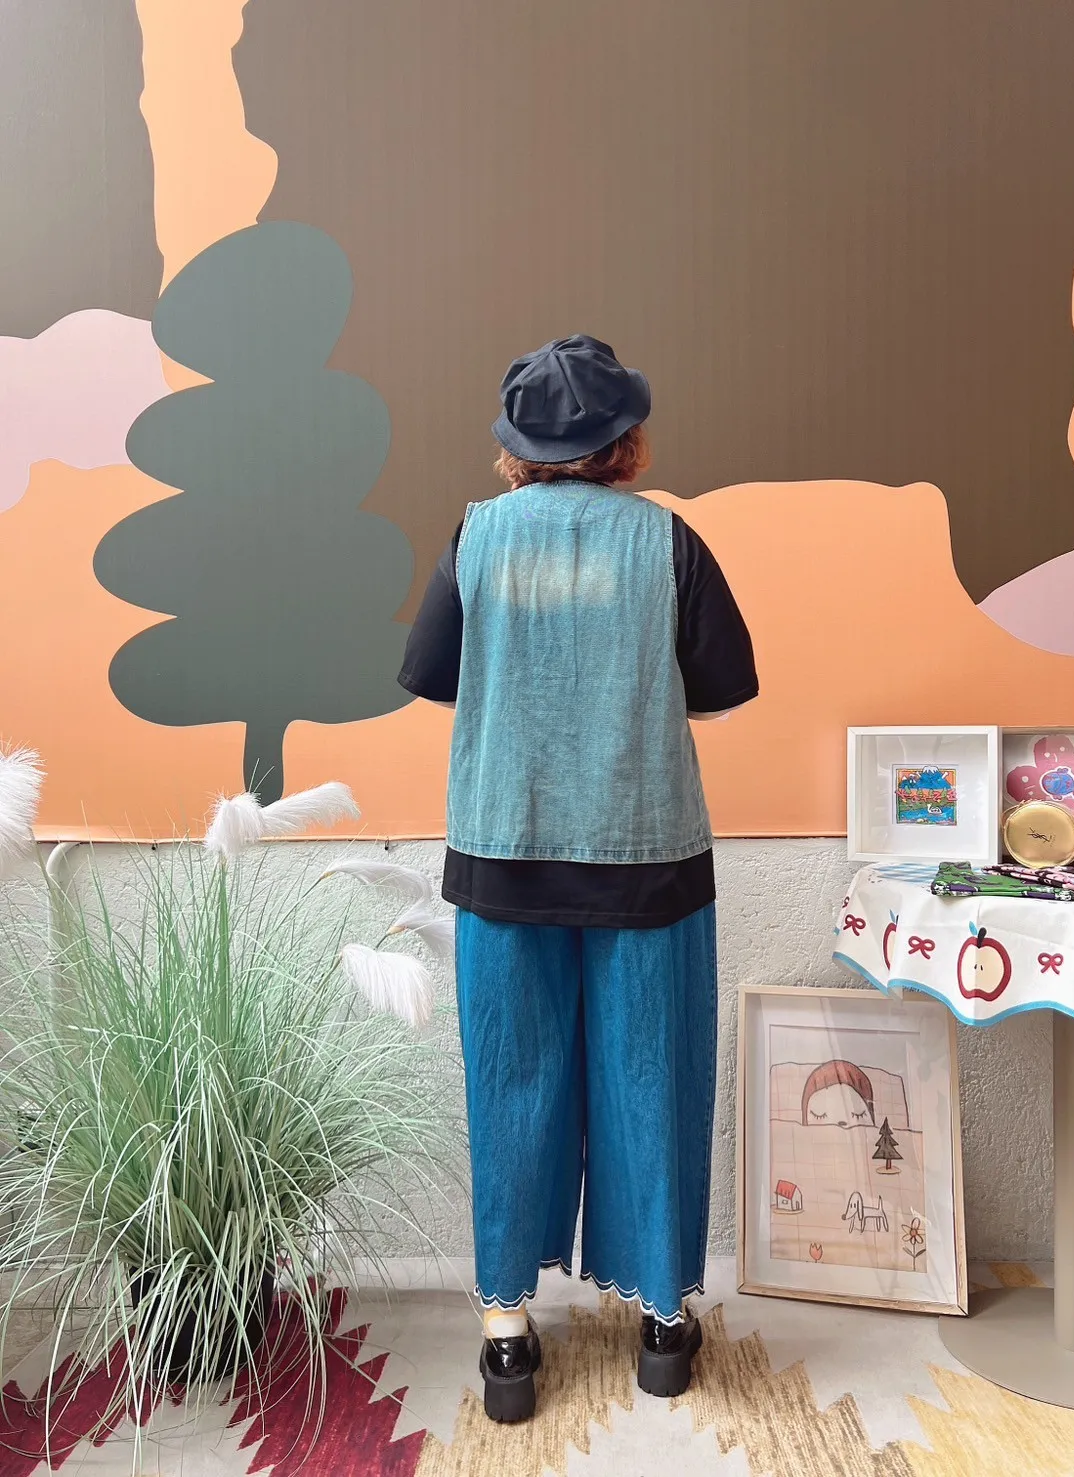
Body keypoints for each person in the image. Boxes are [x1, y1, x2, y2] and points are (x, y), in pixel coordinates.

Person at [398, 334, 757, 1423]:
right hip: (647, 857)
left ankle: (507, 1334)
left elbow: (431, 676)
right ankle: (663, 1322)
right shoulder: (669, 542)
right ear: (625, 441)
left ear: (515, 445)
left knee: (511, 1077)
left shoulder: (474, 537)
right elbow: (720, 690)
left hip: (504, 852)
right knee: (652, 1074)